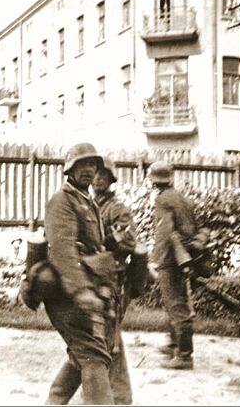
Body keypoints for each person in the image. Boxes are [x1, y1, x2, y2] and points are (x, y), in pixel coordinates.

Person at [42, 142, 119, 405]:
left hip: (87, 288)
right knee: (93, 354)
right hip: (65, 292)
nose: (88, 170)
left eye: (92, 165)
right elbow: (62, 250)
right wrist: (82, 291)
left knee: (83, 354)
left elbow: (94, 246)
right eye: (81, 164)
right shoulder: (62, 200)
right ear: (70, 169)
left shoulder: (87, 202)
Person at [90, 156, 139, 404]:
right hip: (92, 277)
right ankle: (101, 392)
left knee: (111, 336)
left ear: (111, 180)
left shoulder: (117, 209)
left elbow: (129, 241)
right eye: (95, 174)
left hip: (113, 279)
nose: (98, 179)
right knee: (95, 335)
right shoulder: (89, 205)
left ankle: (120, 396)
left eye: (103, 176)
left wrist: (105, 241)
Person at [148, 160, 197, 370]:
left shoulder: (163, 200)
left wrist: (155, 259)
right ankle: (174, 344)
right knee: (175, 302)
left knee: (175, 304)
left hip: (171, 257)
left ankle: (184, 355)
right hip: (183, 255)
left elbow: (164, 232)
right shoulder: (179, 197)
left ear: (153, 181)